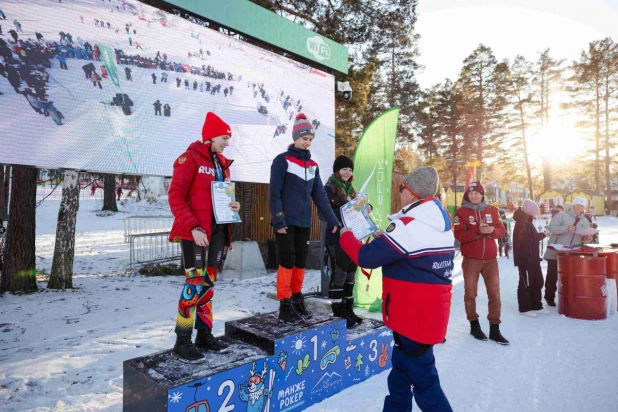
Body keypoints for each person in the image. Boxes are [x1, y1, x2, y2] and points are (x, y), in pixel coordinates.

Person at [339, 166, 454, 412]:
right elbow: (411, 252)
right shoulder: (436, 220)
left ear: (411, 194)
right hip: (424, 316)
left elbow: (366, 257)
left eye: (402, 188)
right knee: (400, 377)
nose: (399, 193)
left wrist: (345, 234)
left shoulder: (408, 225)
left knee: (426, 385)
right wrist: (387, 239)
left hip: (412, 316)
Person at [168, 112, 241, 361]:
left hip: (218, 231)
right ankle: (182, 340)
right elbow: (175, 197)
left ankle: (204, 334)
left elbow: (220, 197)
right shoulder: (189, 158)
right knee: (194, 283)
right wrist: (193, 227)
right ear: (210, 136)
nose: (227, 143)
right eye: (224, 137)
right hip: (195, 233)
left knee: (209, 284)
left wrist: (233, 206)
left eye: (228, 138)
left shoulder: (222, 164)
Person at [269, 113, 340, 323]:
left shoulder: (313, 166)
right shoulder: (282, 161)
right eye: (304, 138)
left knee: (300, 260)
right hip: (286, 222)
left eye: (310, 139)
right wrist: (278, 220)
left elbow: (319, 196)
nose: (307, 142)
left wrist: (333, 220)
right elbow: (274, 193)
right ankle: (285, 303)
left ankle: (296, 298)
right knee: (287, 259)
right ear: (295, 137)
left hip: (303, 222)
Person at [454, 182, 509, 345]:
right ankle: (474, 325)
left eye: (477, 193)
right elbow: (459, 236)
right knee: (470, 294)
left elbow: (501, 230)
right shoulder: (461, 212)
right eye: (470, 194)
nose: (474, 196)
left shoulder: (492, 210)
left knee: (494, 295)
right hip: (471, 260)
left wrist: (491, 231)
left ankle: (495, 329)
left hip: (491, 260)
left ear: (482, 194)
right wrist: (478, 231)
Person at [324, 155, 372, 327]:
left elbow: (356, 210)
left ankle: (348, 309)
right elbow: (324, 212)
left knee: (351, 272)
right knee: (340, 272)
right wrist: (340, 218)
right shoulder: (329, 187)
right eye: (344, 169)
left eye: (350, 170)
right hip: (336, 237)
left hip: (352, 237)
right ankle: (338, 313)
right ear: (337, 170)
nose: (347, 172)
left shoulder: (351, 189)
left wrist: (367, 207)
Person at [543, 197, 592, 307]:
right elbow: (551, 228)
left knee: (569, 277)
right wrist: (566, 228)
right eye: (578, 205)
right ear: (573, 205)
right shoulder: (562, 215)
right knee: (552, 276)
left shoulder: (585, 221)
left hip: (571, 255)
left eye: (582, 206)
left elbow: (583, 237)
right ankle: (549, 297)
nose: (579, 208)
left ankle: (567, 298)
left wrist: (588, 238)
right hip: (555, 252)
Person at [513, 200, 548, 317]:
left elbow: (529, 238)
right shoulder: (522, 222)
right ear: (529, 210)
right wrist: (541, 235)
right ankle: (525, 308)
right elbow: (524, 241)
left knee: (537, 281)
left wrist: (539, 236)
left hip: (533, 257)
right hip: (525, 258)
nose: (537, 212)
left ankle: (536, 305)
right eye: (535, 210)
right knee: (525, 282)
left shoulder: (527, 221)